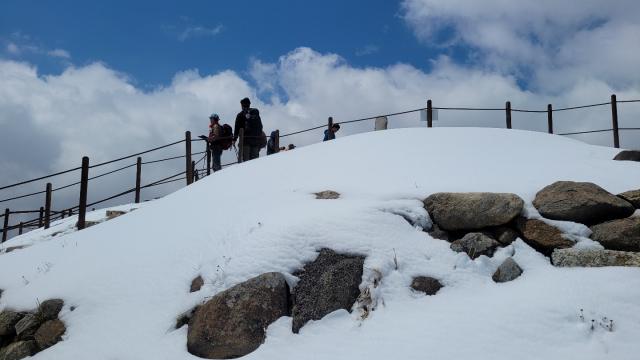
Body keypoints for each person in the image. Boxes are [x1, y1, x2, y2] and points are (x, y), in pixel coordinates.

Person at [232, 97, 262, 162]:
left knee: (246, 161)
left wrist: (234, 140)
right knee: (255, 160)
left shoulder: (240, 114)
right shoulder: (255, 114)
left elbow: (237, 127)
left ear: (242, 105)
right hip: (255, 139)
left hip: (245, 140)